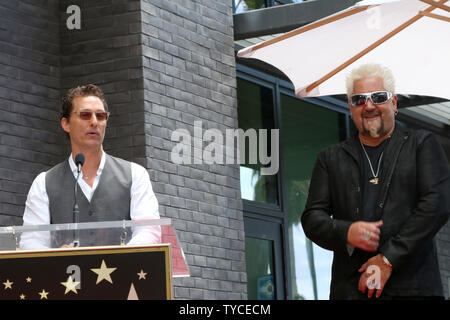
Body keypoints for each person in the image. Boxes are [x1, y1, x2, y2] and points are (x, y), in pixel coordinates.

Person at [301, 63, 450, 299]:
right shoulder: (330, 158)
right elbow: (312, 219)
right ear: (350, 107)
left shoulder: (421, 145)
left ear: (394, 102)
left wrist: (388, 259)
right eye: (359, 99)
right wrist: (346, 231)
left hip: (413, 288)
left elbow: (436, 206)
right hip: (351, 290)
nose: (368, 106)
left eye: (378, 97)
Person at [21, 84, 160, 249]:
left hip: (123, 273)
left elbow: (149, 232)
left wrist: (122, 256)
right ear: (66, 124)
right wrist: (56, 257)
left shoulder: (135, 175)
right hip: (64, 274)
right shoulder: (43, 183)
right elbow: (31, 242)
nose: (94, 122)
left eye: (101, 116)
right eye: (85, 115)